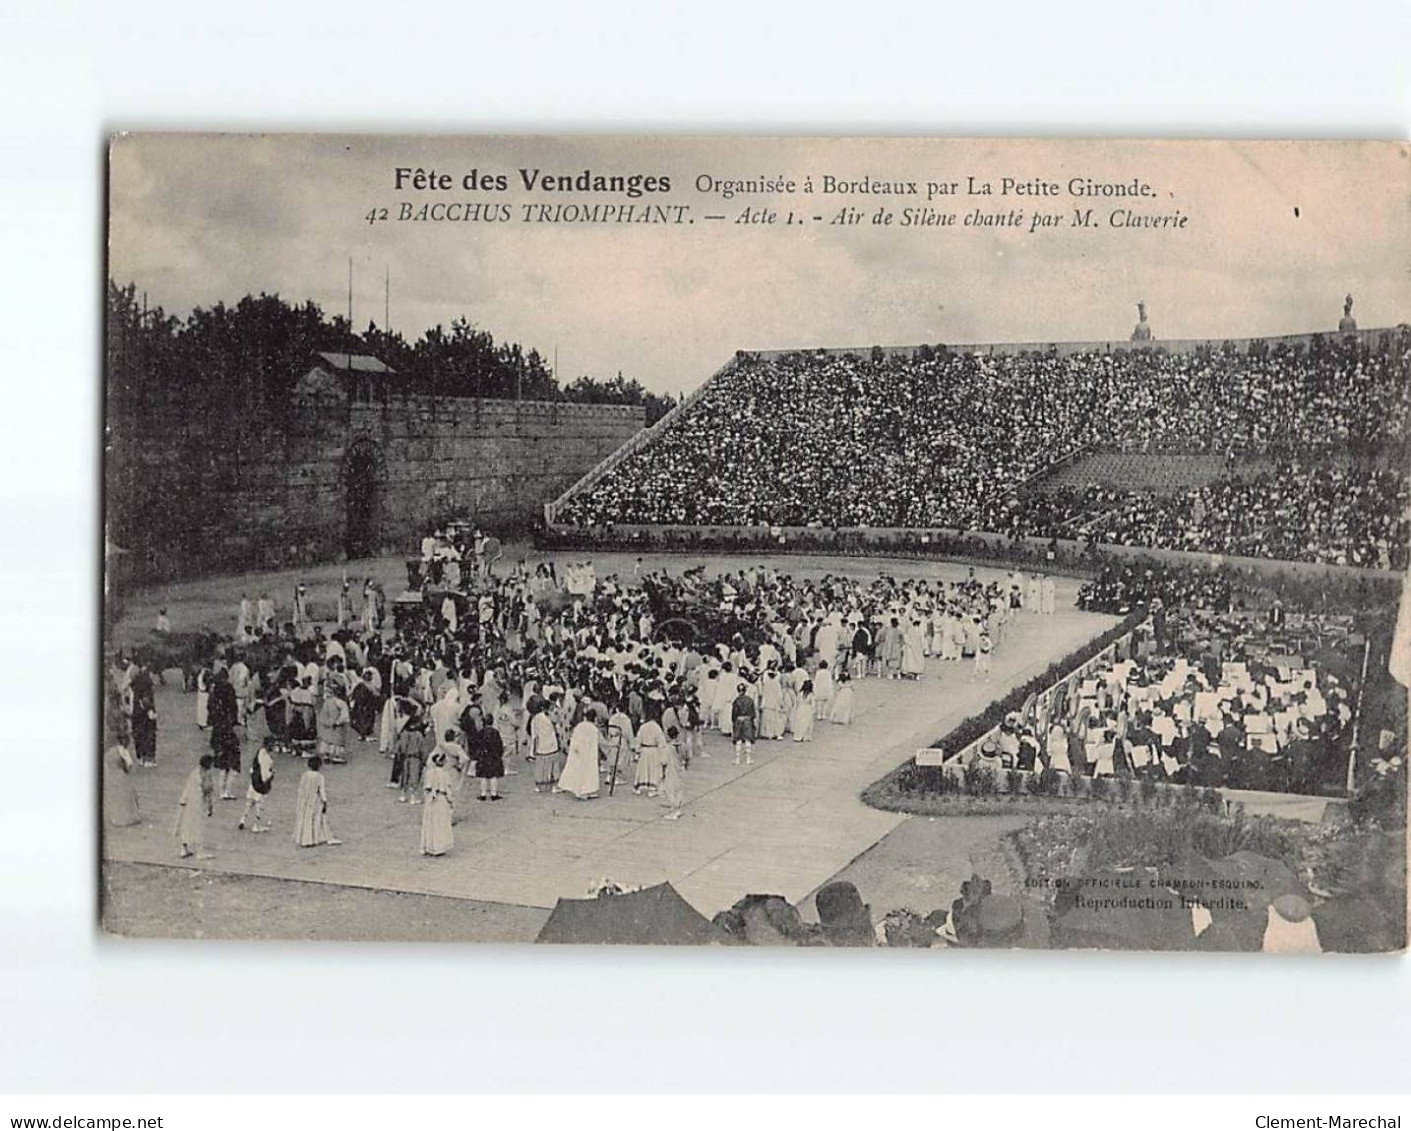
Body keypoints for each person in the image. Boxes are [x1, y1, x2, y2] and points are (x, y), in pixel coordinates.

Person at [207, 669, 242, 799]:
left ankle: (222, 791)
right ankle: (228, 790)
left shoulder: (213, 694)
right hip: (228, 730)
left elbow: (210, 712)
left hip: (217, 731)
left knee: (222, 762)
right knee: (234, 761)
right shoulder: (229, 690)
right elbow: (234, 709)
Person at [293, 756, 342, 847]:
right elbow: (321, 790)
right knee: (315, 818)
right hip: (314, 800)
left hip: (305, 799)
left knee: (305, 818)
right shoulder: (319, 777)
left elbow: (301, 788)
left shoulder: (305, 775)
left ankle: (304, 839)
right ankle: (314, 838)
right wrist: (324, 801)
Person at [173, 755, 215, 858]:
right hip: (199, 802)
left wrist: (183, 800)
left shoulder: (194, 772)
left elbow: (187, 787)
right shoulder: (206, 775)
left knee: (187, 824)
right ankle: (200, 851)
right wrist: (210, 806)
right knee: (199, 826)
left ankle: (184, 848)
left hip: (189, 802)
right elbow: (207, 790)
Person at [559, 707, 602, 799]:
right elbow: (600, 742)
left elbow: (573, 739)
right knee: (589, 771)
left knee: (579, 771)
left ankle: (580, 791)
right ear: (595, 718)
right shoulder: (594, 729)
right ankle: (589, 790)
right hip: (589, 754)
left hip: (578, 752)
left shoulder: (579, 726)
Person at [420, 750, 455, 856]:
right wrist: (451, 800)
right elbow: (447, 788)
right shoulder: (445, 774)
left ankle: (427, 845)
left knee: (429, 822)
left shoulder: (429, 773)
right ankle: (438, 847)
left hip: (430, 799)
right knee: (440, 822)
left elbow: (426, 787)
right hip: (441, 799)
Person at [103, 740, 141, 828]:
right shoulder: (121, 750)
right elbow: (129, 764)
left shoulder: (108, 752)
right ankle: (128, 816)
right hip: (122, 777)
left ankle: (117, 817)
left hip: (111, 778)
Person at [239, 742, 275, 833]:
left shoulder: (258, 753)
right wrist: (272, 774)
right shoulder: (267, 759)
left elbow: (252, 769)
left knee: (249, 802)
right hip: (261, 785)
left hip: (253, 781)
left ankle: (243, 819)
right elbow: (265, 776)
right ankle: (256, 825)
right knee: (260, 806)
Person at [528, 697, 562, 793]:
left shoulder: (534, 720)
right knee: (554, 766)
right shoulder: (548, 716)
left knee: (540, 767)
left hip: (541, 747)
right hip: (551, 745)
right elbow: (556, 721)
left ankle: (538, 786)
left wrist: (532, 750)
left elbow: (534, 735)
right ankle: (555, 786)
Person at [633, 711, 668, 796]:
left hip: (644, 750)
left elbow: (638, 739)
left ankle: (638, 787)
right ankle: (652, 789)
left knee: (642, 770)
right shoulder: (657, 728)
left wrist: (637, 750)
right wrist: (664, 757)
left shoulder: (643, 727)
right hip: (654, 750)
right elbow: (662, 743)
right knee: (653, 770)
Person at [660, 724, 685, 820]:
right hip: (680, 769)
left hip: (671, 769)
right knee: (679, 789)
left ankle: (673, 811)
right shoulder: (682, 745)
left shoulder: (668, 748)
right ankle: (678, 809)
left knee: (670, 790)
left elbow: (663, 761)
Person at [731, 682, 757, 766]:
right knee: (748, 739)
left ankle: (737, 759)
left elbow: (734, 714)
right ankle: (748, 759)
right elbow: (753, 713)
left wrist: (734, 721)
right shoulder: (750, 700)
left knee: (738, 739)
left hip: (738, 720)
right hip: (747, 720)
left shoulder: (736, 701)